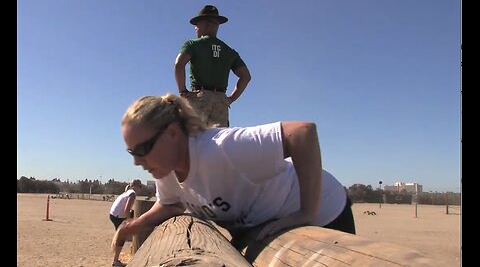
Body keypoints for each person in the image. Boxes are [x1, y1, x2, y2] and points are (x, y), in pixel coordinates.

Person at [111, 93, 356, 254]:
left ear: (173, 134)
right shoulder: (165, 170)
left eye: (143, 149)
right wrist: (132, 225)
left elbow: (302, 133)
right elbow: (170, 204)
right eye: (131, 151)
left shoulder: (220, 149)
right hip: (268, 226)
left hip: (326, 213)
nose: (136, 161)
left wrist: (306, 212)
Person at [174, 4, 251, 127]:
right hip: (221, 101)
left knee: (193, 139)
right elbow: (246, 76)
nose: (195, 29)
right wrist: (230, 99)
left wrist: (183, 91)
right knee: (219, 141)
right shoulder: (229, 51)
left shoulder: (192, 44)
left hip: (199, 98)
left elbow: (179, 64)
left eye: (197, 25)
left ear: (204, 24)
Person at [109, 179, 143, 267]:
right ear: (135, 186)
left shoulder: (128, 192)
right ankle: (115, 261)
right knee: (122, 237)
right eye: (140, 186)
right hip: (118, 216)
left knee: (123, 236)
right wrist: (128, 221)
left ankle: (118, 254)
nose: (140, 189)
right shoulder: (132, 194)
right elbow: (126, 210)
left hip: (114, 215)